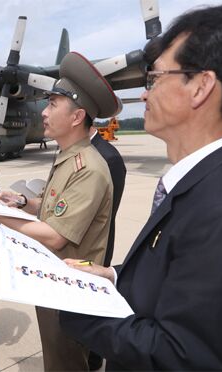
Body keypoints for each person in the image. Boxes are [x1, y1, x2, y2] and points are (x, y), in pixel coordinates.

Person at [59, 3, 222, 370]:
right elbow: (175, 272)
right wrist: (112, 275)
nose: (143, 94)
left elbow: (179, 356)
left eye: (153, 78)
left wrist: (80, 309)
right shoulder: (206, 186)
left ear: (201, 86)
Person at [0, 51, 120, 371]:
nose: (44, 113)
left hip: (70, 289)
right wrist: (18, 202)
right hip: (53, 281)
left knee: (66, 364)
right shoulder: (66, 157)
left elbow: (57, 236)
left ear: (77, 117)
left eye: (52, 104)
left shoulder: (88, 168)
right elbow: (50, 206)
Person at [88, 123, 126, 370]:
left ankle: (92, 359)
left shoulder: (108, 157)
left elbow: (105, 213)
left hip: (95, 248)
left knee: (93, 306)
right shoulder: (72, 151)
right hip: (75, 248)